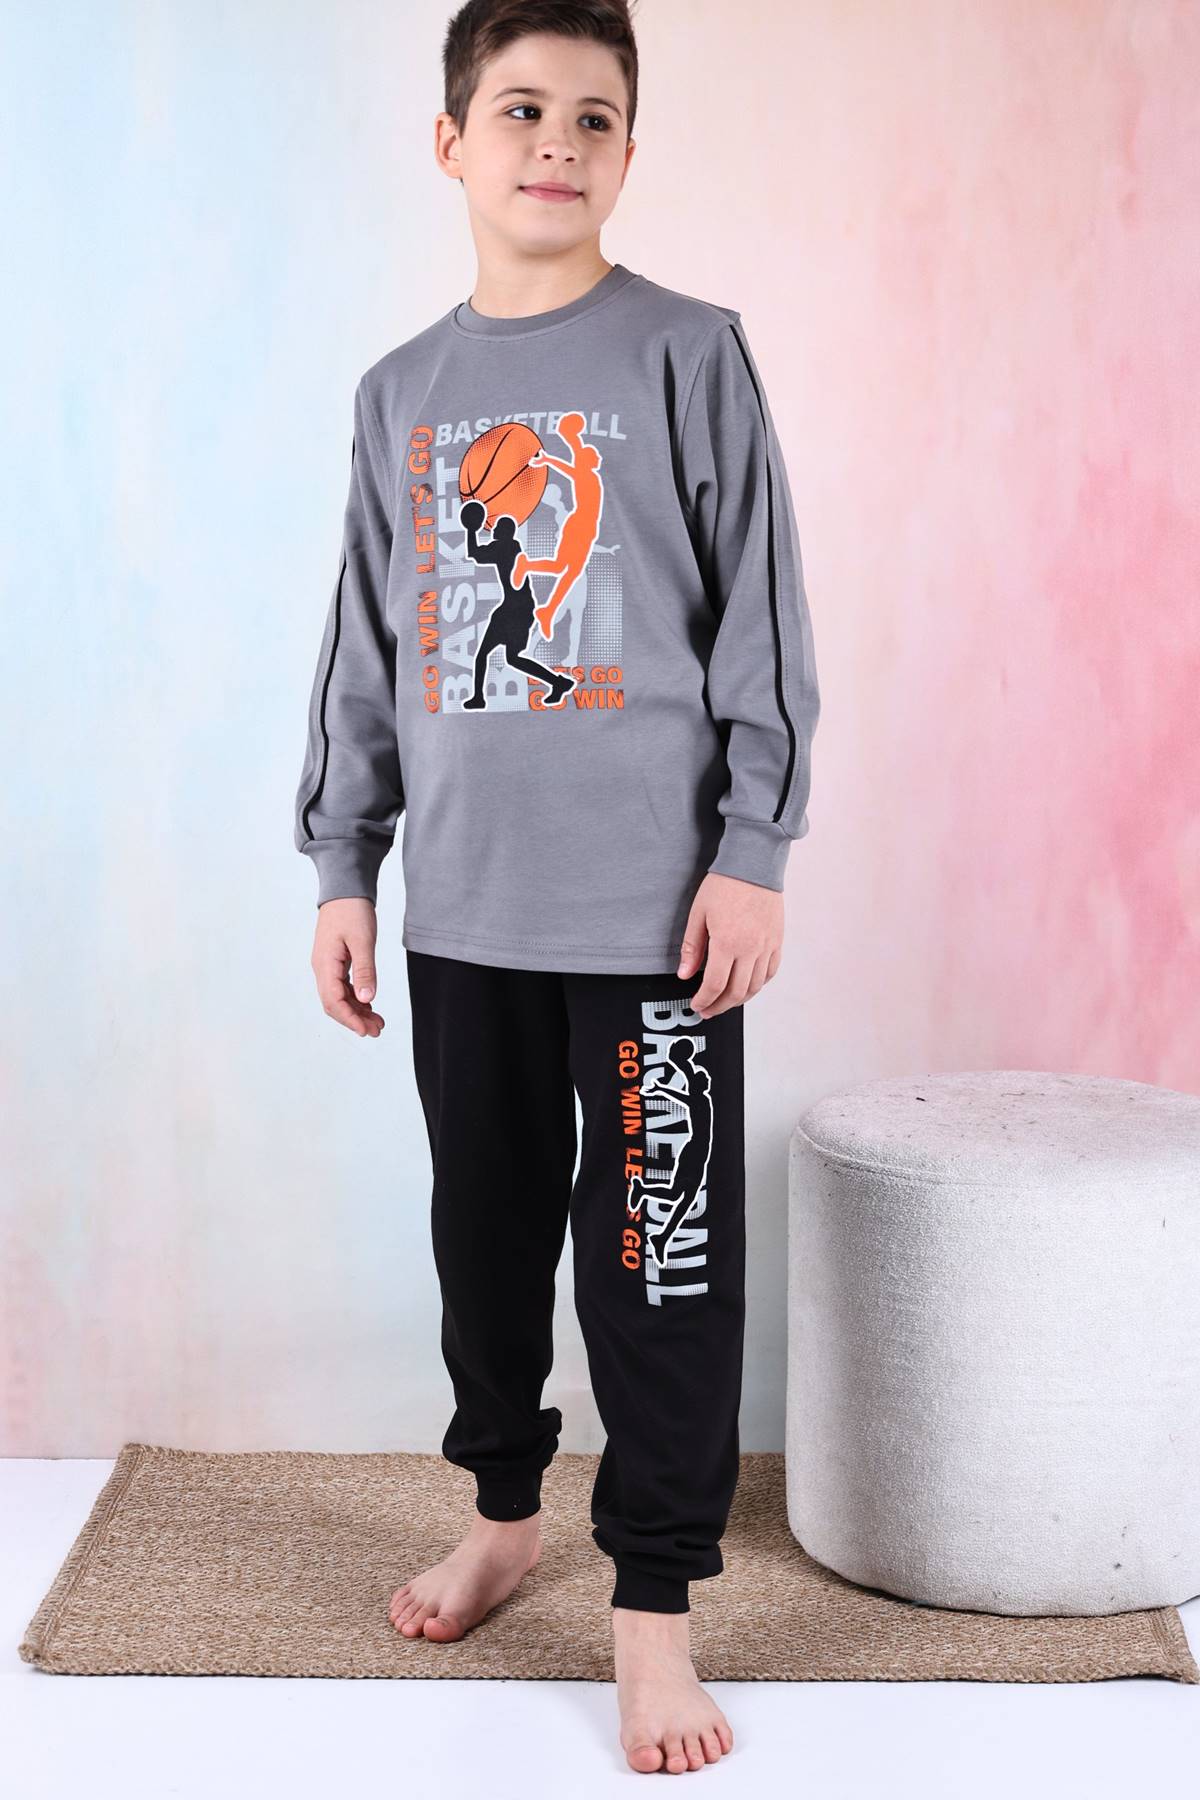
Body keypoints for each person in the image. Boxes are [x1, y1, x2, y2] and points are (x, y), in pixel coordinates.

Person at [292, 0, 820, 1776]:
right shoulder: (400, 395)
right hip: (464, 916)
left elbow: (762, 618)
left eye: (595, 118)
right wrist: (344, 865)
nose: (556, 145)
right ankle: (506, 1516)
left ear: (628, 154)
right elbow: (365, 651)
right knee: (487, 1241)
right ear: (450, 142)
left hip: (659, 924)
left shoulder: (687, 351)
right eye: (520, 110)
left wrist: (753, 853)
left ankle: (652, 1612)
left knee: (658, 1269)